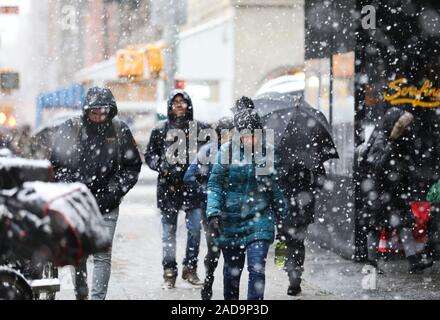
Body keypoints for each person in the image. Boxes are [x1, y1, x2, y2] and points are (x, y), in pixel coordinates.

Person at [30, 86, 142, 299]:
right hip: (77, 204)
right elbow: (56, 164)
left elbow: (132, 165)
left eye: (104, 112)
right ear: (86, 110)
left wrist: (116, 189)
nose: (100, 117)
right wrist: (72, 187)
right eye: (94, 112)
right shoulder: (70, 129)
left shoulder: (119, 130)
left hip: (107, 203)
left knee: (102, 256)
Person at [206, 101, 287, 300]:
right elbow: (215, 184)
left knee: (257, 269)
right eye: (245, 134)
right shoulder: (226, 151)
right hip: (230, 220)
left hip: (260, 219)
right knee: (232, 273)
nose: (250, 139)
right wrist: (213, 212)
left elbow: (276, 188)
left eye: (254, 133)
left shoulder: (268, 153)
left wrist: (284, 218)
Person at [144, 89, 208, 289]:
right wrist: (161, 166)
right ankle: (169, 271)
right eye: (175, 102)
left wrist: (200, 171)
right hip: (168, 188)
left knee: (195, 230)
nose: (179, 105)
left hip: (193, 189)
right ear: (170, 106)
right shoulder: (160, 130)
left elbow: (209, 155)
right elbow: (149, 155)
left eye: (183, 101)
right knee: (168, 232)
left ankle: (190, 268)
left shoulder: (201, 130)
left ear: (188, 105)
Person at [364, 107, 433, 273]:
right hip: (380, 191)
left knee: (404, 225)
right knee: (376, 226)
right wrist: (391, 145)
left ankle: (413, 262)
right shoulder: (381, 138)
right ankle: (372, 263)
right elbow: (378, 165)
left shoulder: (402, 139)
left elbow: (404, 164)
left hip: (395, 190)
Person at [183, 117, 233, 300]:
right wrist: (207, 192)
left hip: (233, 210)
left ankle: (230, 294)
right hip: (211, 210)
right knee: (214, 249)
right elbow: (189, 177)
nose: (230, 136)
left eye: (233, 132)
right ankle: (209, 280)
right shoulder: (208, 151)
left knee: (231, 252)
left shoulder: (241, 153)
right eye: (226, 132)